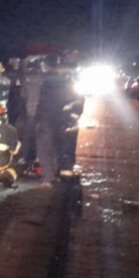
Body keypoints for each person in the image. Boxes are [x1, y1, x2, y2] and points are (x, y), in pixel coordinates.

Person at [35, 50, 84, 184]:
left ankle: (48, 177)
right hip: (60, 119)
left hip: (47, 119)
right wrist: (72, 114)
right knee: (56, 146)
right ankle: (56, 171)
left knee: (44, 148)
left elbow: (41, 102)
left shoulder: (45, 82)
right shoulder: (68, 83)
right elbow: (78, 100)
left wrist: (37, 118)